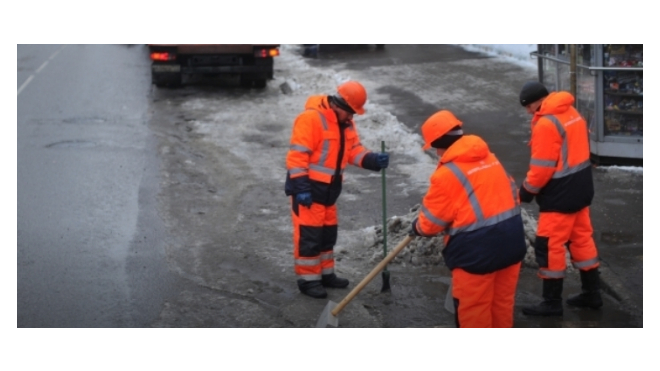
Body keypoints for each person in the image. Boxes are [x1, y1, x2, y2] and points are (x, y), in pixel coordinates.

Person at [409, 110, 527, 328]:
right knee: (501, 304)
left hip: (477, 253)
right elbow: (512, 194)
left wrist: (417, 227)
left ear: (439, 143)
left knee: (474, 310)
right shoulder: (490, 158)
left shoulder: (447, 175)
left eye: (434, 147)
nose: (436, 152)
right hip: (512, 242)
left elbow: (431, 223)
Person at [284, 80, 389, 299]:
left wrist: (372, 160)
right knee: (309, 237)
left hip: (330, 192)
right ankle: (308, 280)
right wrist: (301, 188)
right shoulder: (311, 119)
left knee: (326, 236)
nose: (352, 118)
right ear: (338, 105)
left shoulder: (346, 124)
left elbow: (353, 151)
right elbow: (297, 157)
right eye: (350, 112)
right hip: (309, 191)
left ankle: (326, 274)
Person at [518, 81, 602, 316]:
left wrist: (526, 191)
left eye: (528, 106)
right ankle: (592, 293)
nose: (527, 111)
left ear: (538, 100)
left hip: (560, 194)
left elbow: (542, 168)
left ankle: (551, 302)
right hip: (581, 187)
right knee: (582, 240)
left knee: (550, 245)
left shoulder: (546, 123)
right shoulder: (570, 111)